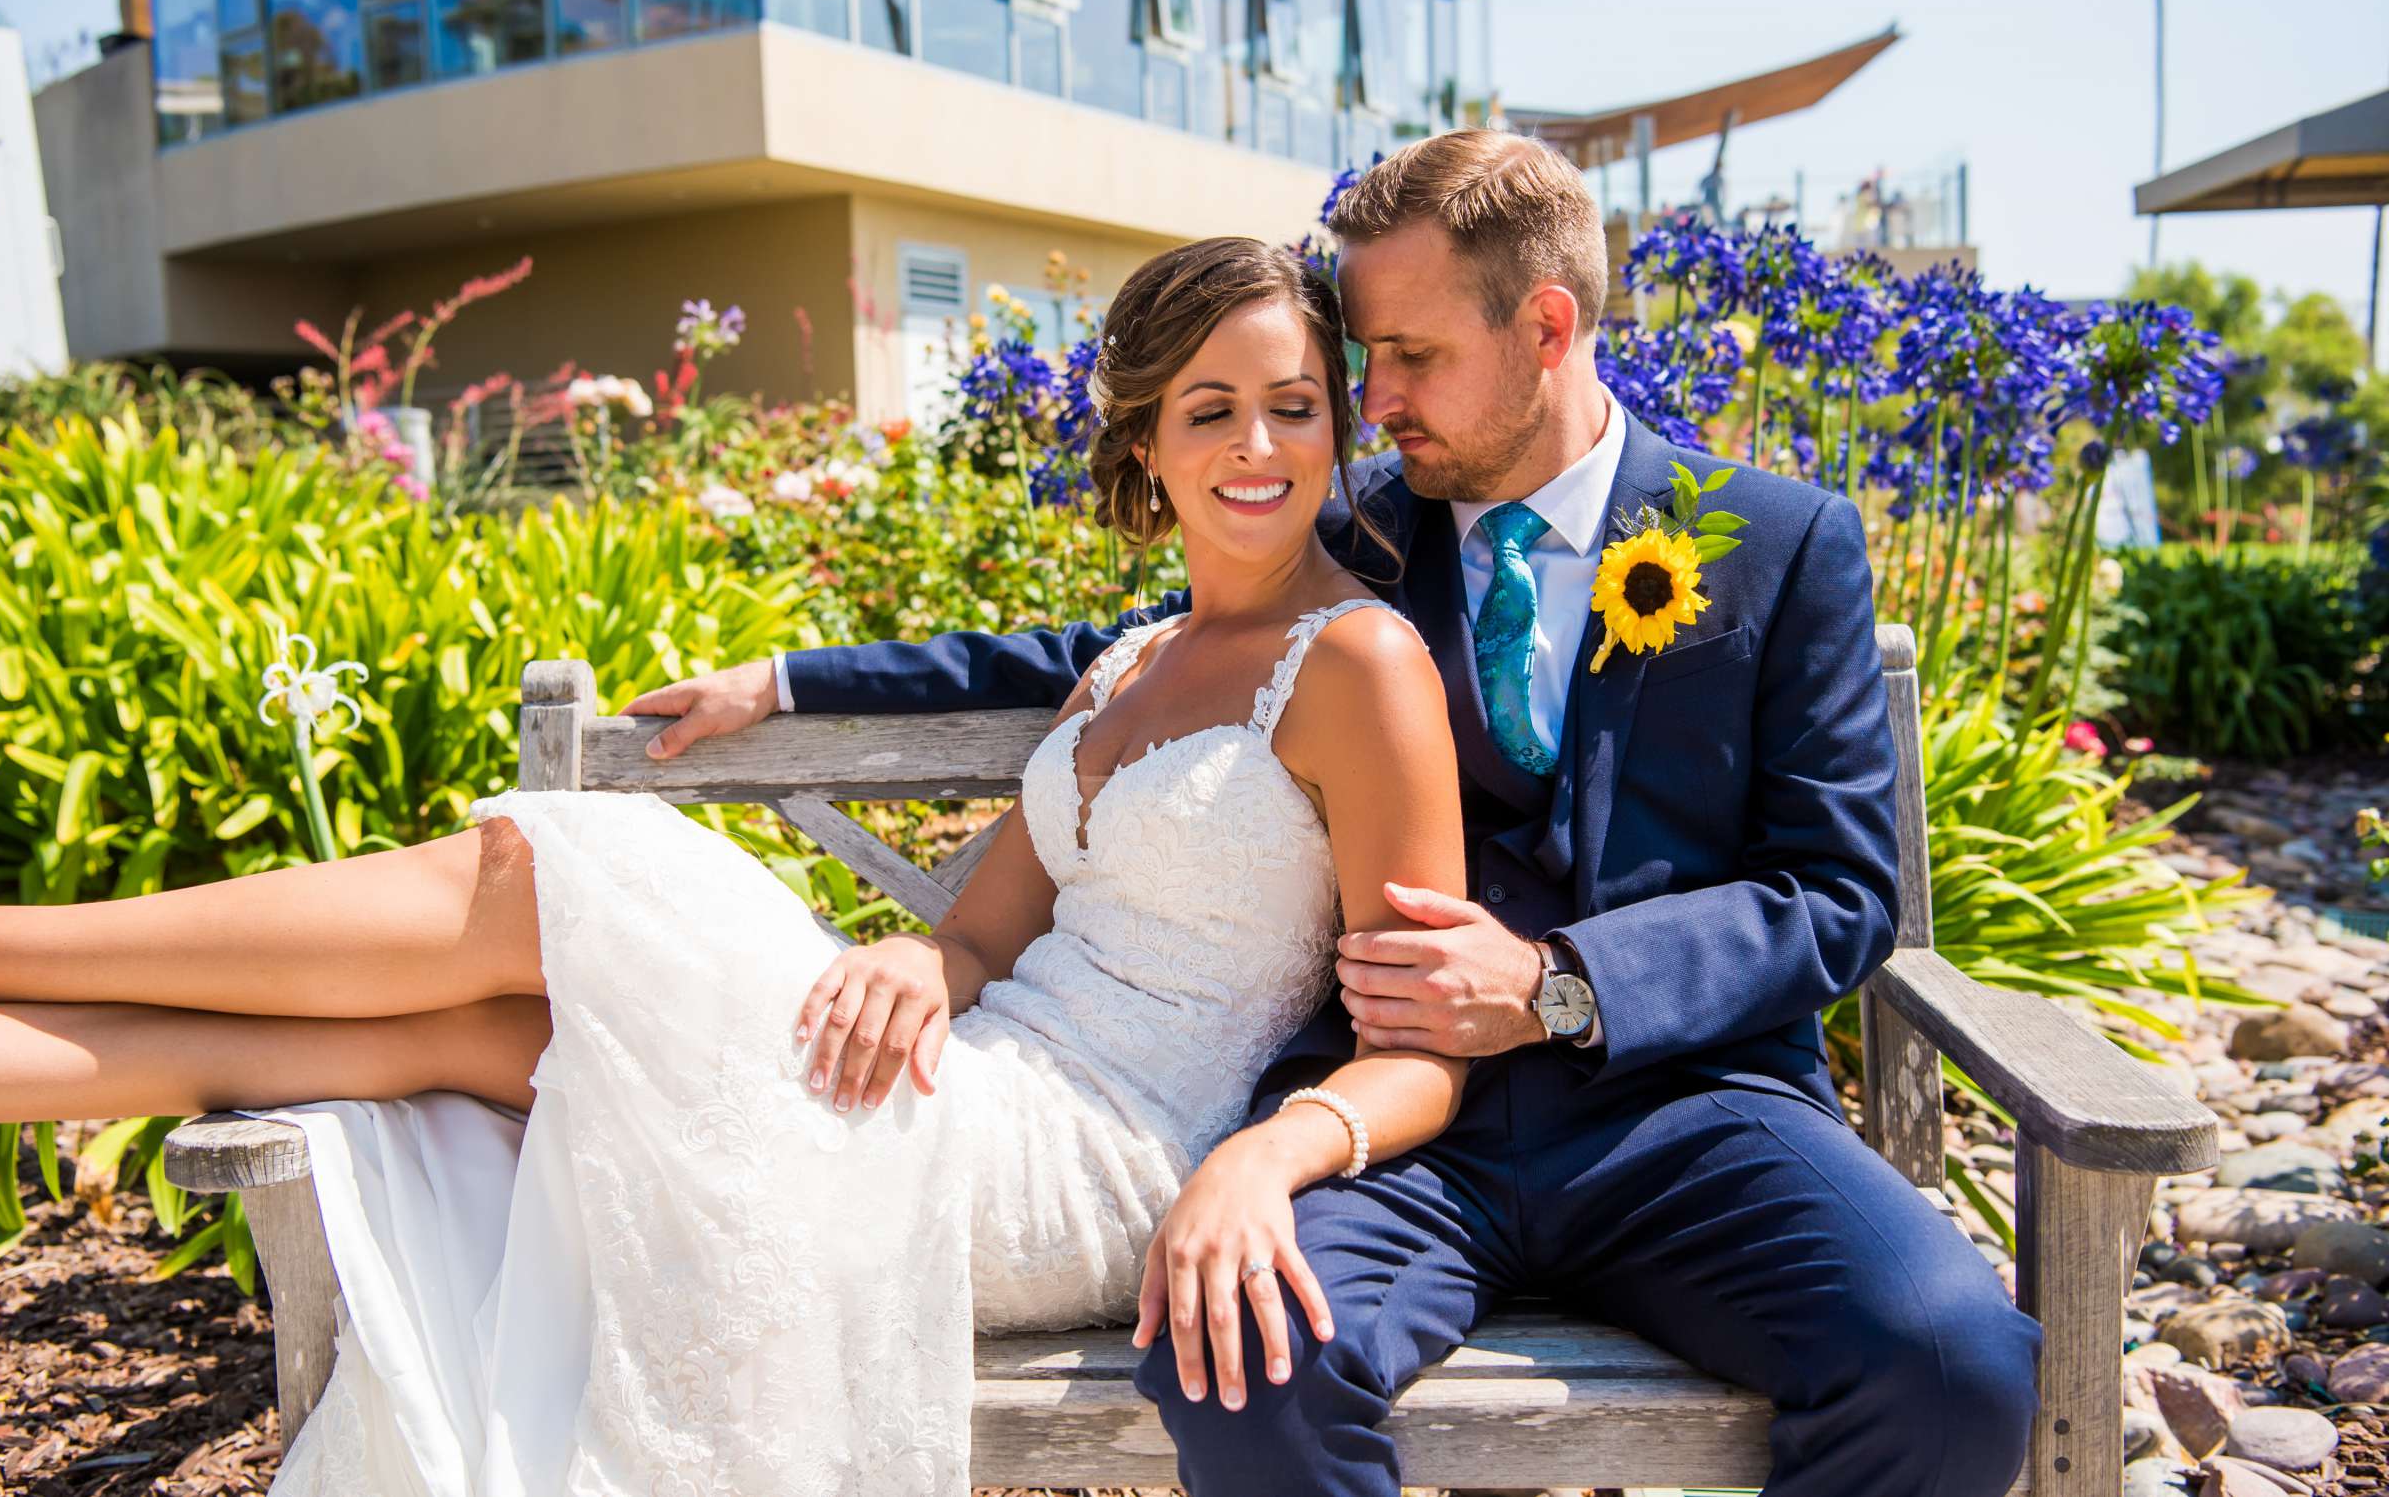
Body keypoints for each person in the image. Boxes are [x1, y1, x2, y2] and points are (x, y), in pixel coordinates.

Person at [647, 130, 2044, 1496]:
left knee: (1958, 1367)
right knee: (1235, 1356)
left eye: (1411, 355)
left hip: (1685, 1112)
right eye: (1365, 357)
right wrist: (786, 676)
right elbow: (1116, 643)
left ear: (1545, 327)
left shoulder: (1784, 544)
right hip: (1389, 1119)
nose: (1373, 396)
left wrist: (1559, 984)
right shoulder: (1361, 526)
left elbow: (1839, 891)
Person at [0, 239, 1477, 1495]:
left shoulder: (1360, 662)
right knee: (494, 1041)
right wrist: (920, 954)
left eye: (1293, 405)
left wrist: (1275, 1153)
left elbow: (1428, 1046)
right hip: (965, 1066)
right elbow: (982, 934)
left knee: (538, 879)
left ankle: (13, 935)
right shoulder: (1139, 654)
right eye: (1212, 408)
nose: (1259, 445)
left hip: (1079, 1165)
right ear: (1146, 439)